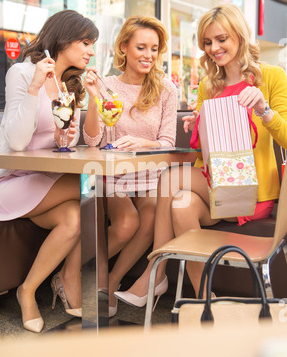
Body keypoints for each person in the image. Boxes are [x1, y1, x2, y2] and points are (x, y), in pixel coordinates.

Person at [115, 3, 287, 304]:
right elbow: (202, 154)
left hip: (253, 193)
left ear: (240, 36)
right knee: (181, 205)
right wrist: (198, 128)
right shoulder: (209, 85)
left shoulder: (271, 77)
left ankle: (155, 273)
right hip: (217, 189)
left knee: (169, 180)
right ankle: (206, 301)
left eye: (221, 39)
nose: (214, 48)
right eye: (207, 42)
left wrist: (264, 109)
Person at [0, 10, 99, 333]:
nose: (90, 51)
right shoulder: (22, 73)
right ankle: (70, 277)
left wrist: (66, 135)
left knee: (74, 219)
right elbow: (18, 141)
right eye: (86, 42)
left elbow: (72, 141)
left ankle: (28, 290)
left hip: (42, 181)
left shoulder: (68, 86)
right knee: (92, 188)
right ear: (63, 38)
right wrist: (35, 86)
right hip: (8, 181)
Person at [84, 16, 177, 317]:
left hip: (151, 176)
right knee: (127, 223)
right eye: (141, 47)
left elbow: (168, 142)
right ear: (124, 47)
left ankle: (111, 281)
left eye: (154, 48)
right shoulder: (106, 85)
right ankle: (75, 270)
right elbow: (93, 140)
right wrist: (93, 99)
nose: (149, 55)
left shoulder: (166, 89)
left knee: (151, 212)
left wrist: (143, 141)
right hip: (114, 175)